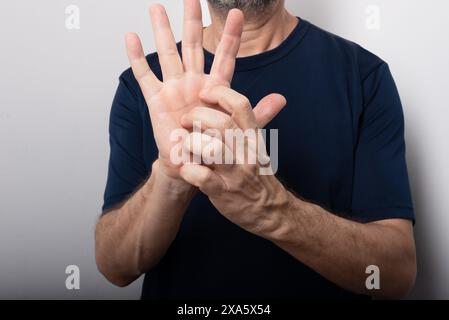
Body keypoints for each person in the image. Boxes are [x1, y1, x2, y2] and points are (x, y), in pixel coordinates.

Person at [95, 0, 417, 299]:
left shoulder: (363, 77)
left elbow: (397, 273)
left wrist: (275, 213)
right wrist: (170, 175)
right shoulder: (147, 87)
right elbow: (115, 266)